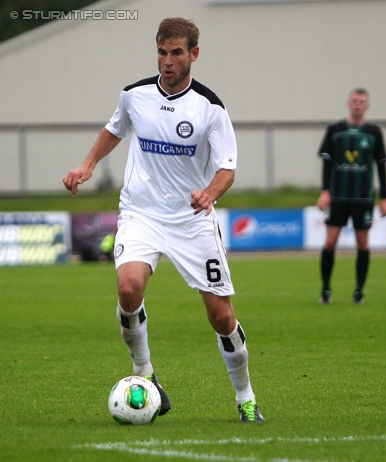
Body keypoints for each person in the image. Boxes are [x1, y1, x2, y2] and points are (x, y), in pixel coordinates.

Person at [63, 17, 264, 423]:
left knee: (221, 316)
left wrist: (209, 192)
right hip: (141, 212)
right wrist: (87, 164)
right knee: (128, 285)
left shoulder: (210, 107)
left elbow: (227, 167)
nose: (167, 61)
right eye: (161, 52)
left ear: (193, 54)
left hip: (191, 220)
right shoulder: (134, 95)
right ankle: (146, 375)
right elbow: (114, 129)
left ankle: (246, 398)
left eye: (176, 53)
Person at [316, 88, 386, 304]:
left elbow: (382, 166)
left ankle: (358, 292)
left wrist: (385, 197)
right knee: (330, 242)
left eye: (362, 101)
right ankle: (326, 291)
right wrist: (325, 191)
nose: (358, 104)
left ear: (367, 106)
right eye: (355, 101)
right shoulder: (335, 130)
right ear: (348, 103)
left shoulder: (374, 132)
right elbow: (326, 163)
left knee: (362, 243)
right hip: (338, 196)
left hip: (363, 197)